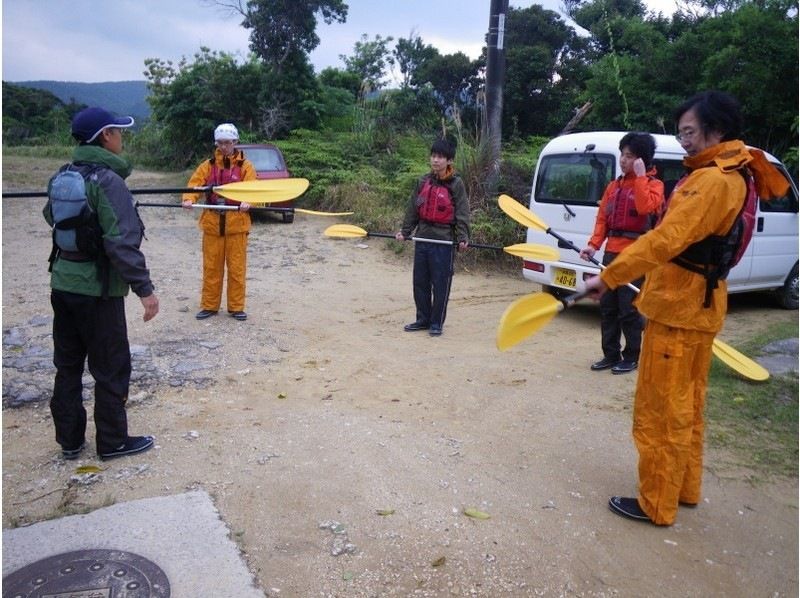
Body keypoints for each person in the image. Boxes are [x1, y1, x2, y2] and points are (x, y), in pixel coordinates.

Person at [584, 91, 789, 526]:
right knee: (688, 405)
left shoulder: (713, 180)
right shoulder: (732, 173)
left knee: (662, 411)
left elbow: (663, 240)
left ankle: (656, 502)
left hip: (679, 310)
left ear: (717, 131)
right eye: (680, 132)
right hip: (699, 306)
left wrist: (610, 276)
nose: (684, 142)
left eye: (690, 132)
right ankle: (684, 488)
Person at [44, 106, 160, 461]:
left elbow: (53, 217)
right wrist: (145, 290)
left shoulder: (63, 174)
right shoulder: (108, 180)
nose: (121, 137)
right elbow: (120, 242)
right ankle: (112, 442)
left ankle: (70, 441)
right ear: (105, 136)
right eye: (118, 131)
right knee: (110, 365)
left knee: (67, 366)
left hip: (63, 284)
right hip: (97, 291)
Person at [579, 133, 664, 375]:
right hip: (610, 254)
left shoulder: (654, 185)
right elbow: (603, 219)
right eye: (622, 155)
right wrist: (594, 244)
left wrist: (639, 177)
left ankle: (632, 356)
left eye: (629, 156)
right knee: (608, 306)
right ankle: (610, 353)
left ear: (641, 160)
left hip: (636, 255)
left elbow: (645, 207)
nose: (623, 160)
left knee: (629, 308)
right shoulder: (613, 187)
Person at [396, 138, 470, 336]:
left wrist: (463, 237)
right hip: (423, 238)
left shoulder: (456, 184)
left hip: (443, 241)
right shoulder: (423, 181)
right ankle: (423, 318)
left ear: (449, 160)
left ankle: (436, 322)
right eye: (434, 156)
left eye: (440, 157)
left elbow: (462, 213)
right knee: (420, 281)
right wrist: (405, 232)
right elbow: (412, 208)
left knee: (440, 282)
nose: (436, 160)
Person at [182, 123, 255, 321]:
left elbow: (253, 189)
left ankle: (236, 307)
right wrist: (189, 198)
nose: (224, 147)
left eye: (228, 143)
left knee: (236, 268)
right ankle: (210, 305)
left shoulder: (245, 167)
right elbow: (195, 185)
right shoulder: (208, 165)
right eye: (221, 143)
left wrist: (249, 201)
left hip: (236, 224)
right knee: (212, 268)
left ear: (235, 142)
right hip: (213, 224)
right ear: (216, 143)